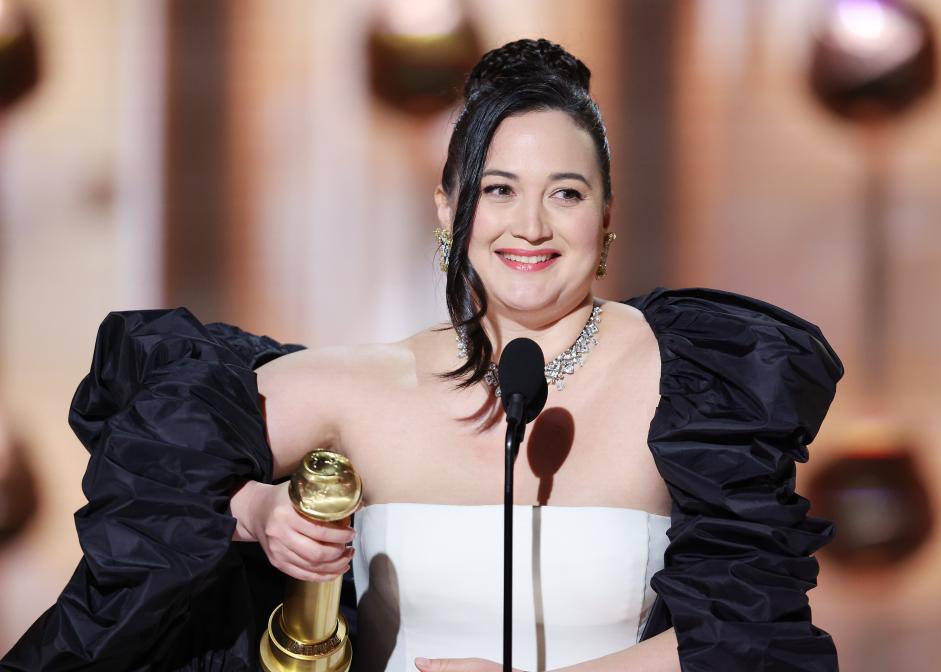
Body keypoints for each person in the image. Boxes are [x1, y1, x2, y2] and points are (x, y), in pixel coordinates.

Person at [0, 39, 842, 672]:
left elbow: (748, 638)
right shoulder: (367, 386)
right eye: (499, 190)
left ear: (607, 215)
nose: (531, 227)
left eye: (567, 193)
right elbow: (141, 434)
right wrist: (254, 513)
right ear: (449, 211)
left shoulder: (696, 380)